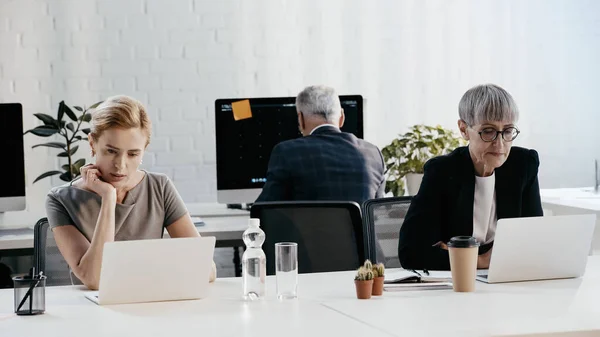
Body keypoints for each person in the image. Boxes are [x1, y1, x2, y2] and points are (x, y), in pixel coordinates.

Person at [46, 95, 216, 290]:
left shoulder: (159, 187)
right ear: (92, 143)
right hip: (92, 313)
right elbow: (96, 280)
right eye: (111, 151)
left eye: (133, 154)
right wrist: (108, 198)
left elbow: (207, 269)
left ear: (144, 150)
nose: (120, 165)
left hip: (150, 304)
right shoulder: (60, 200)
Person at [398, 84, 543, 270]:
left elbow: (533, 243)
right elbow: (411, 253)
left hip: (506, 280)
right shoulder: (442, 171)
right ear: (464, 129)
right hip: (454, 288)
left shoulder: (523, 165)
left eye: (507, 131)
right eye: (488, 131)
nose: (499, 144)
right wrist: (480, 261)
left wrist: (455, 254)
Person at [255, 85, 386, 205]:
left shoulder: (286, 152)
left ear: (300, 119)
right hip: (359, 232)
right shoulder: (373, 154)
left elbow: (261, 211)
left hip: (306, 231)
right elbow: (379, 215)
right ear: (342, 117)